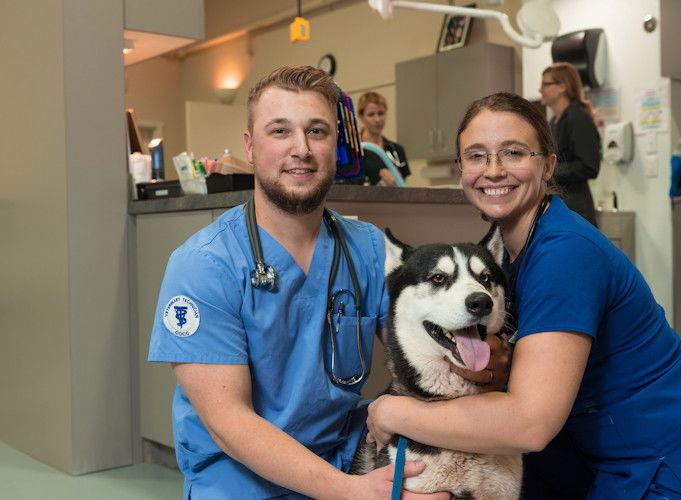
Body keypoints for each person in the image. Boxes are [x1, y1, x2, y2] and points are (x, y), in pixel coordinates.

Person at [365, 91, 681, 499]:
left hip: (676, 466)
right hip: (600, 453)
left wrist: (393, 410)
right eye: (476, 156)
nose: (493, 170)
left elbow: (529, 424)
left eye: (513, 152)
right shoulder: (510, 259)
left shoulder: (565, 254)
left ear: (548, 165)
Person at [147, 65, 506, 500]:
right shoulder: (203, 266)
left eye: (317, 131)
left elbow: (428, 352)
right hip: (241, 480)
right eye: (280, 131)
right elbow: (229, 424)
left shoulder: (369, 249)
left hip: (344, 454)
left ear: (336, 145)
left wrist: (489, 362)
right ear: (251, 147)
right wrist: (349, 491)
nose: (301, 149)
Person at [539, 62, 601, 227]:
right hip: (560, 206)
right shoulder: (553, 122)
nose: (540, 90)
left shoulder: (578, 118)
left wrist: (548, 171)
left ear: (562, 87)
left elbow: (589, 166)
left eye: (545, 84)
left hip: (576, 209)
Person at [357, 92, 410, 186]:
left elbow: (404, 187)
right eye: (371, 114)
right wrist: (382, 184)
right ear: (361, 116)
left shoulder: (397, 150)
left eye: (381, 113)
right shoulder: (355, 150)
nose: (377, 119)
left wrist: (396, 182)